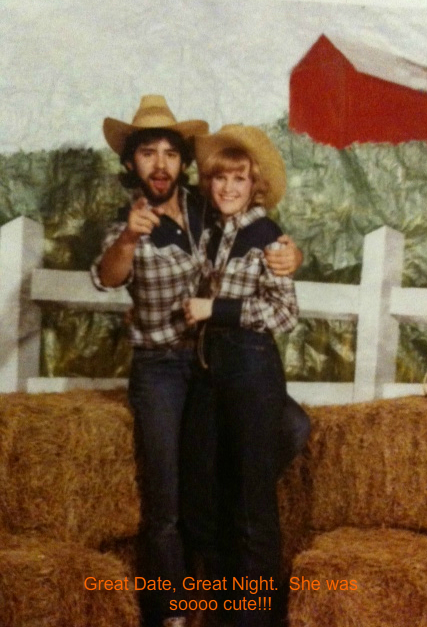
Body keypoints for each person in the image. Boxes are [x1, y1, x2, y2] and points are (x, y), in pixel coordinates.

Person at [90, 96, 308, 627]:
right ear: (131, 162)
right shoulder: (128, 223)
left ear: (184, 162)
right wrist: (129, 237)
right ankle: (176, 611)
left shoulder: (205, 208)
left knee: (289, 430)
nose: (160, 164)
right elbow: (108, 276)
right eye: (147, 153)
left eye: (170, 153)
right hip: (163, 367)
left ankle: (239, 599)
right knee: (172, 497)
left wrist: (290, 254)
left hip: (214, 363)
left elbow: (255, 229)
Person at [181, 125, 299, 627]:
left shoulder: (267, 237)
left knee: (252, 506)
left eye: (240, 178)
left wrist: (218, 310)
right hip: (211, 372)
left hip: (251, 369)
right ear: (208, 182)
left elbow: (285, 314)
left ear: (256, 186)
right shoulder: (211, 231)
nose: (228, 187)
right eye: (220, 178)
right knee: (204, 497)